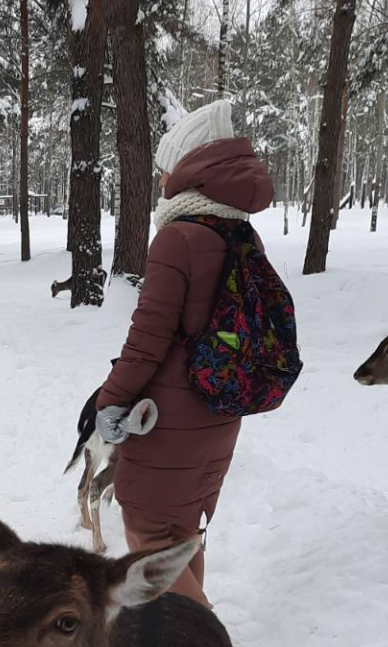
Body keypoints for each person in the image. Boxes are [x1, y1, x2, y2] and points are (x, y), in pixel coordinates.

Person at [95, 100, 273, 608]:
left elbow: (147, 337)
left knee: (149, 534)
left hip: (170, 417)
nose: (160, 181)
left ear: (191, 169)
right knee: (182, 530)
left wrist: (111, 401)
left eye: (165, 169)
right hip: (220, 407)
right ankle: (183, 641)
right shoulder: (240, 231)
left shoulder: (178, 238)